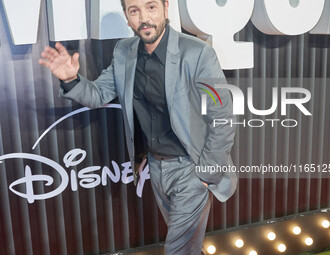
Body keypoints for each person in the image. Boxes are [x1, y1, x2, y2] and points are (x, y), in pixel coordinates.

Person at [39, 0, 237, 254]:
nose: (144, 17)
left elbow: (222, 115)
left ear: (166, 9)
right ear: (127, 16)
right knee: (187, 246)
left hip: (192, 168)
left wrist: (206, 174)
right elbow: (98, 94)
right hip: (156, 167)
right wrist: (70, 79)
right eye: (134, 10)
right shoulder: (124, 52)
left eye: (151, 7)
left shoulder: (197, 53)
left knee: (178, 249)